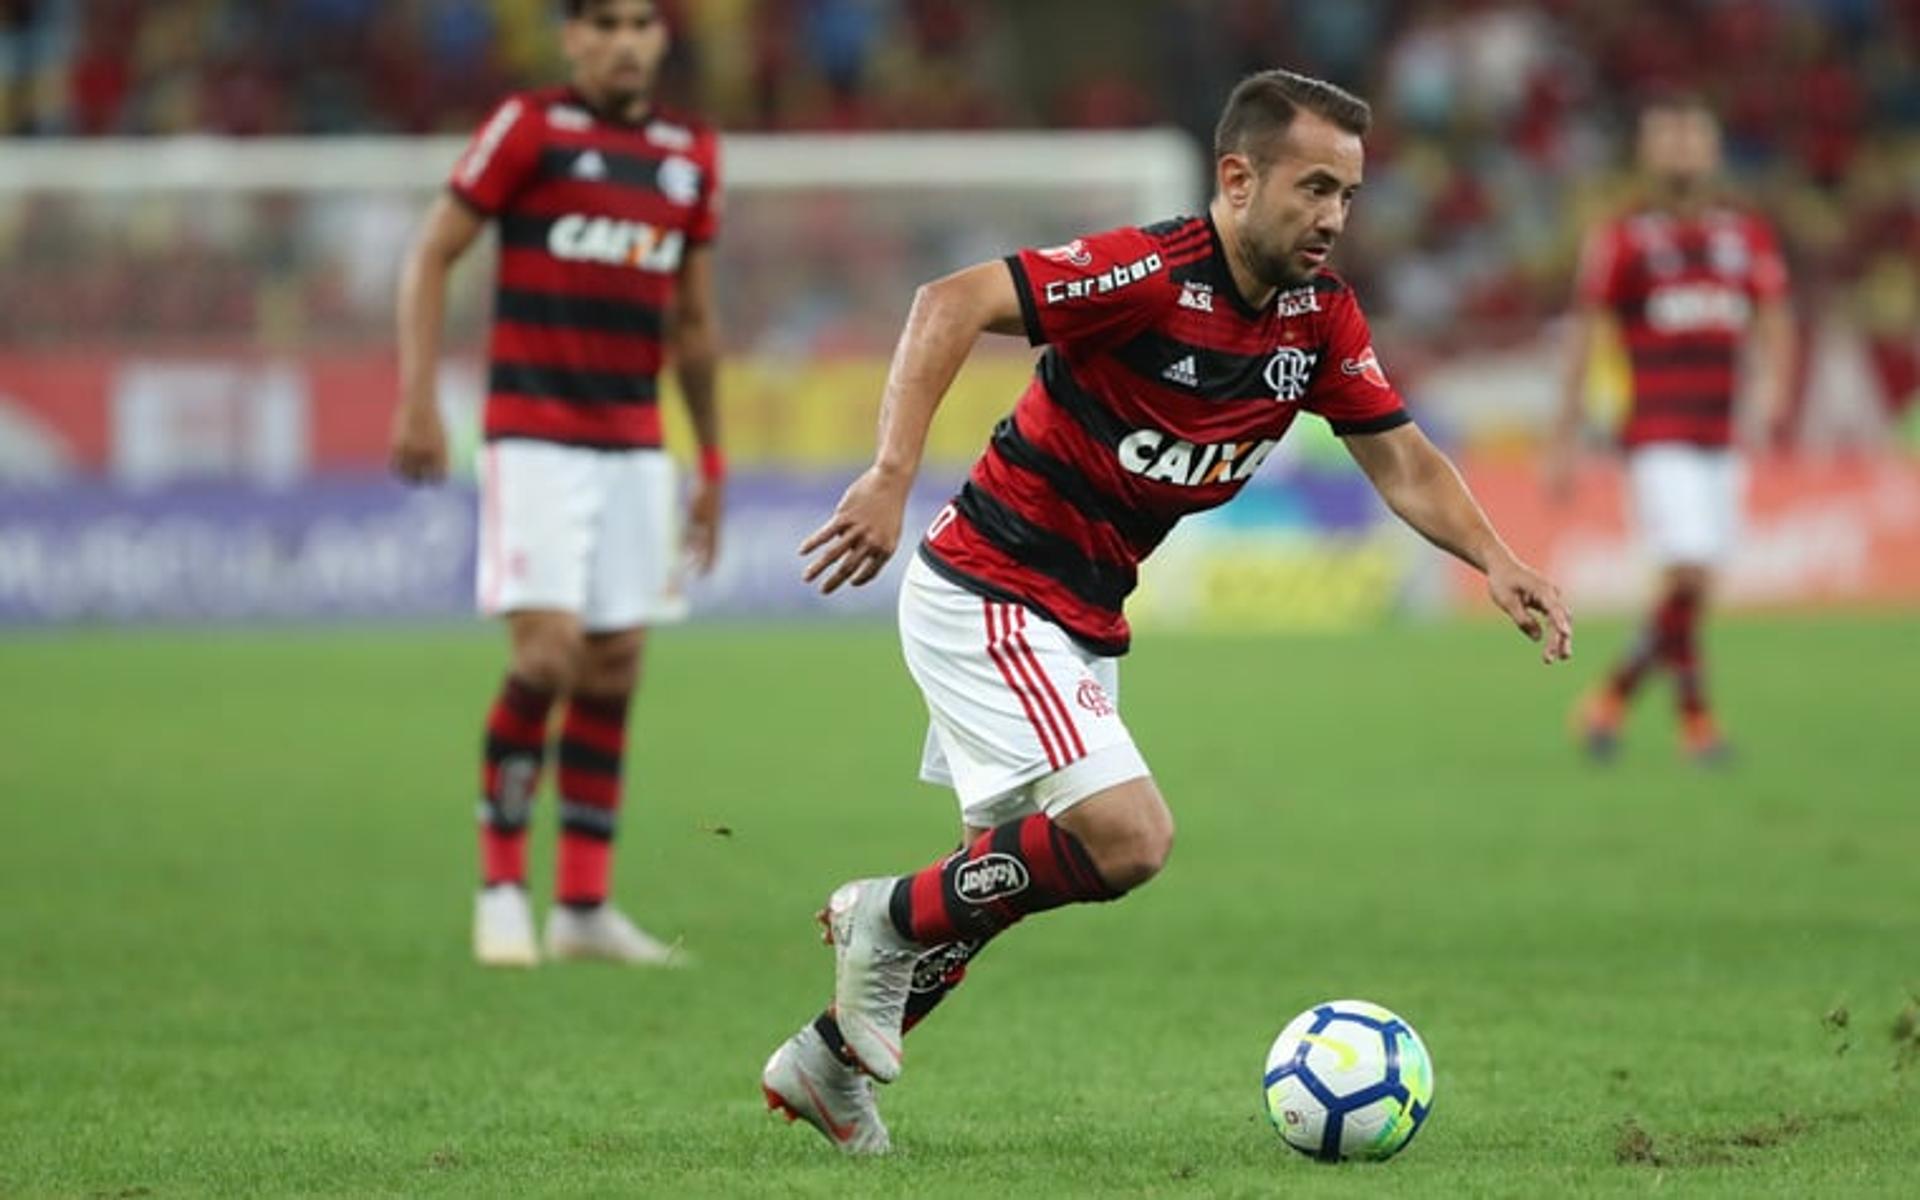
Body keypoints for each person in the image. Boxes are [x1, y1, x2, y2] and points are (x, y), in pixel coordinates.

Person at [759, 69, 1573, 1155]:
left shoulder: (1317, 322)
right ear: (1237, 179)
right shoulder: (1147, 275)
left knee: (991, 886)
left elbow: (1402, 458)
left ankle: (825, 1065)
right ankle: (879, 916)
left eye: (1348, 194)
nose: (1333, 217)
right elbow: (947, 302)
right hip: (992, 588)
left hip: (1082, 617)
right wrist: (891, 470)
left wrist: (1496, 558)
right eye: (1313, 187)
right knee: (1129, 839)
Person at [388, 0, 724, 967]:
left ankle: (581, 908)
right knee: (546, 658)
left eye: (642, 24)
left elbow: (694, 326)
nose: (626, 42)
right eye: (605, 23)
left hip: (633, 440)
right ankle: (501, 886)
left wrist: (709, 460)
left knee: (615, 665)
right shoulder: (527, 127)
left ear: (662, 39)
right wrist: (417, 396)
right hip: (532, 433)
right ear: (571, 37)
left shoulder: (692, 153)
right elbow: (431, 253)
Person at [1547, 96, 1793, 763]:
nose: (1682, 148)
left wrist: (1773, 391)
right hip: (1656, 432)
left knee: (1697, 588)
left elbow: (1775, 319)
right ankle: (1697, 725)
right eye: (1668, 137)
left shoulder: (1746, 237)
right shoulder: (1622, 239)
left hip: (1722, 435)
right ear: (1646, 153)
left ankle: (1610, 700)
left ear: (1715, 150)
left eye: (1692, 136)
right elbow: (1584, 339)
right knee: (1685, 571)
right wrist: (1564, 440)